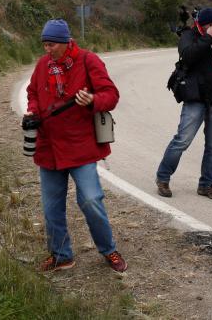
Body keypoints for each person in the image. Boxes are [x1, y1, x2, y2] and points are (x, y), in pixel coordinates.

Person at [24, 19, 127, 273]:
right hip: (49, 147)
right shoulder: (42, 65)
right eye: (45, 44)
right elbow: (33, 93)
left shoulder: (87, 60)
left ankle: (109, 249)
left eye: (51, 45)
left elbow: (111, 95)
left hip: (81, 147)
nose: (47, 50)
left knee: (91, 200)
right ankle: (62, 256)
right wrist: (33, 111)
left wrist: (92, 99)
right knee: (51, 208)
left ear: (65, 42)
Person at [155, 8, 212, 200]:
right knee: (182, 141)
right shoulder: (189, 35)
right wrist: (207, 38)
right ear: (202, 25)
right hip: (196, 98)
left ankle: (207, 185)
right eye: (211, 25)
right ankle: (163, 178)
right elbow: (187, 56)